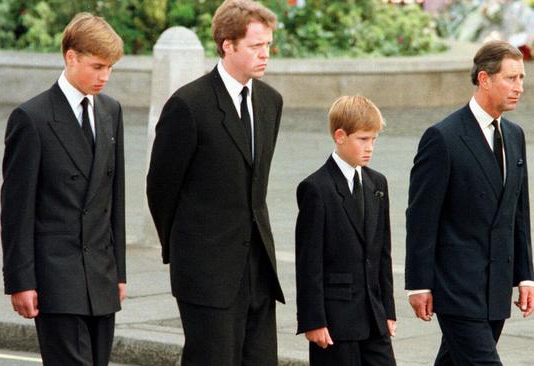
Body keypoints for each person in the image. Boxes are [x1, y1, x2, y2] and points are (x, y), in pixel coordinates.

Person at [146, 1, 285, 365]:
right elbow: (161, 189)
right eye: (256, 46)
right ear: (228, 44)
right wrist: (185, 250)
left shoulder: (270, 102)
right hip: (205, 272)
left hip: (257, 269)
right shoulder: (189, 105)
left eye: (268, 45)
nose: (265, 54)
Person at [0, 13, 126, 366]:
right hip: (56, 278)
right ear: (71, 57)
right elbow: (16, 209)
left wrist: (120, 272)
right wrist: (20, 281)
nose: (105, 76)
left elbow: (114, 198)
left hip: (101, 277)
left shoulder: (111, 111)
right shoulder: (32, 118)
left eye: (110, 68)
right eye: (97, 66)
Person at [405, 40, 534, 365]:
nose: (519, 87)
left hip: (496, 286)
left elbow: (518, 212)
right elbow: (422, 216)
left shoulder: (515, 135)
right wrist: (418, 284)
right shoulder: (443, 137)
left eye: (521, 78)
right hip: (456, 287)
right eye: (511, 78)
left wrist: (525, 275)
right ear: (484, 79)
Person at [295, 96, 396, 366]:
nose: (370, 147)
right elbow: (309, 262)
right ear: (340, 136)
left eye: (374, 139)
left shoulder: (378, 183)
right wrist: (313, 321)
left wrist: (388, 310)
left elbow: (383, 253)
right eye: (363, 139)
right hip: (335, 321)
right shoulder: (316, 188)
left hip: (374, 317)